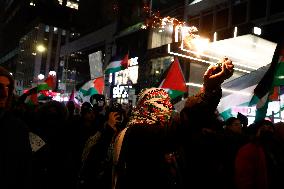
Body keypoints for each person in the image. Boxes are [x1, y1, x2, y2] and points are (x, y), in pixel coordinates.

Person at [0, 66, 33, 188]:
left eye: (8, 87)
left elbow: (25, 169)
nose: (4, 93)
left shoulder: (19, 128)